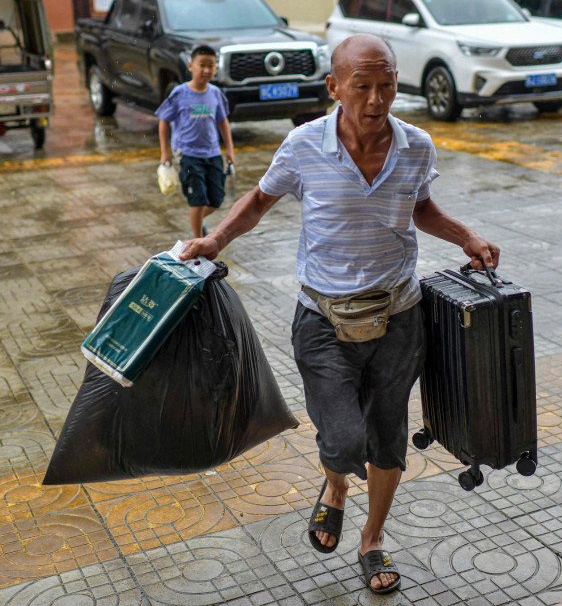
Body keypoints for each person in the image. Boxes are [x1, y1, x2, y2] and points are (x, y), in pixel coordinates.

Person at [179, 34, 500, 595]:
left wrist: (465, 234)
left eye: (388, 84)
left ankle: (372, 541)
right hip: (323, 318)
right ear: (334, 87)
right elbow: (259, 199)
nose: (377, 99)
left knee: (387, 437)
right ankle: (335, 486)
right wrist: (215, 239)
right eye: (363, 86)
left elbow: (419, 207)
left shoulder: (417, 145)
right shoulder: (304, 145)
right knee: (344, 439)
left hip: (400, 316)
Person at [156, 43, 236, 238]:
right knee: (197, 200)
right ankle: (197, 241)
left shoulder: (215, 93)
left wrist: (229, 150)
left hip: (213, 153)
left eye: (211, 65)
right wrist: (165, 152)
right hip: (188, 155)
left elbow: (223, 121)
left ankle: (198, 219)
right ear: (191, 66)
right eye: (202, 65)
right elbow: (164, 121)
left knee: (216, 199)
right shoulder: (180, 93)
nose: (207, 70)